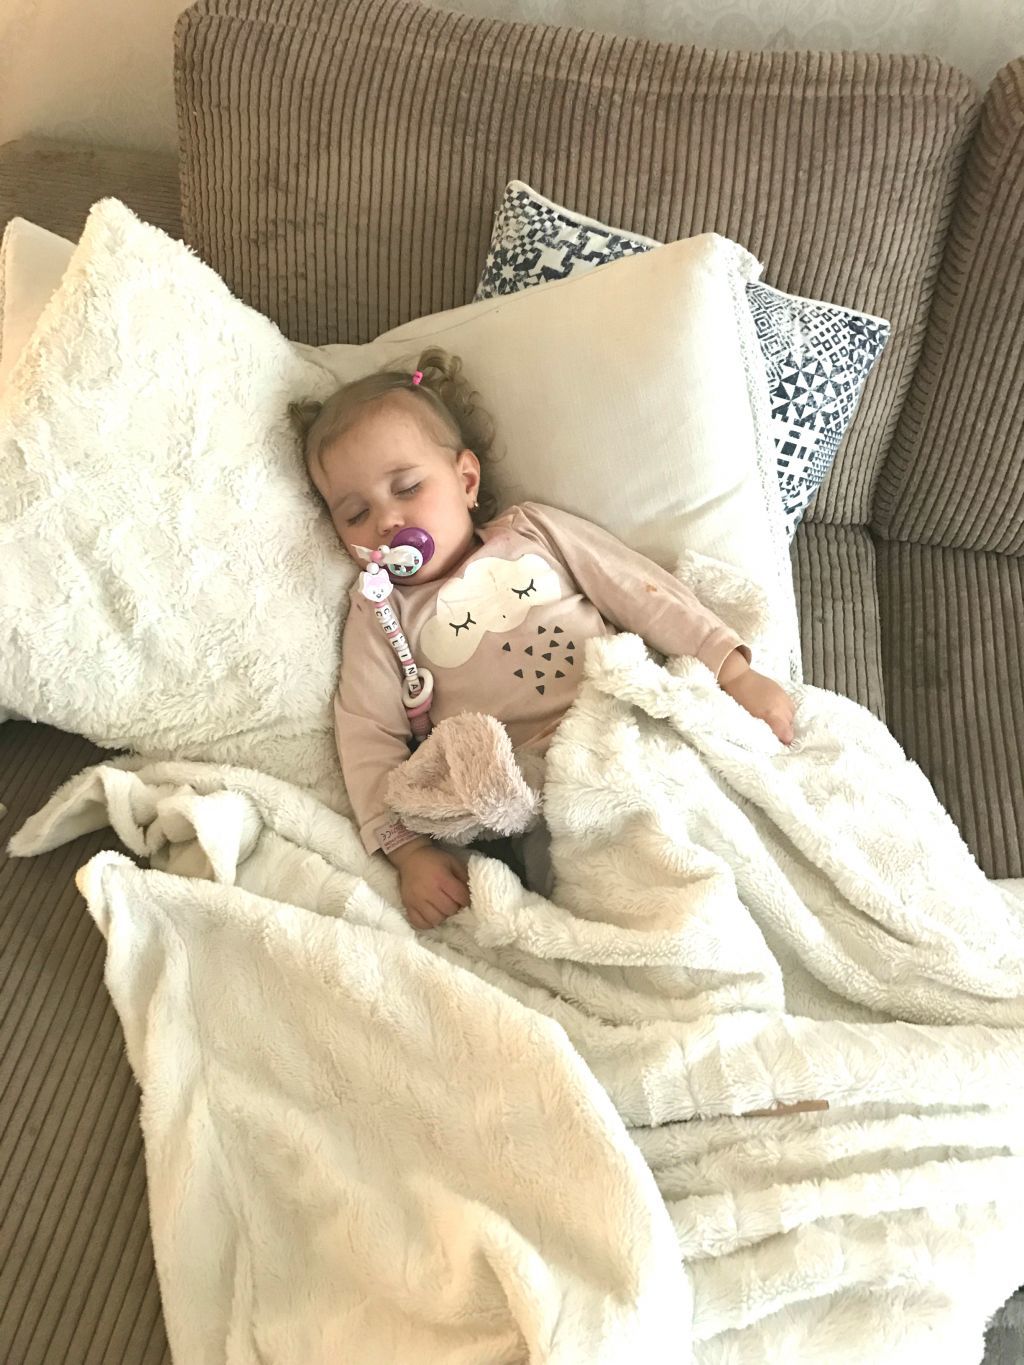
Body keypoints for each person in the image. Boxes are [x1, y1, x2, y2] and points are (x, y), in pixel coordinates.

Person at [290, 348, 795, 930]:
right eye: (355, 514)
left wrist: (732, 670)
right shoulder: (380, 615)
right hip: (538, 791)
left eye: (406, 488)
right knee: (616, 892)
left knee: (729, 827)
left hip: (631, 718)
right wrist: (410, 852)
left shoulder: (533, 532)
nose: (386, 521)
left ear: (466, 480)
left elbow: (635, 589)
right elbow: (366, 732)